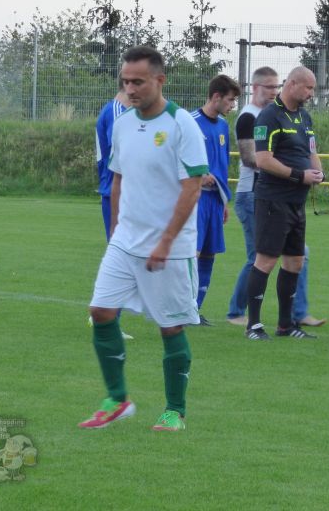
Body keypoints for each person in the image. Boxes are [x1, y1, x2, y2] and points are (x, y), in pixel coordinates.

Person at [78, 46, 208, 432]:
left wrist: (166, 241)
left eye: (138, 81)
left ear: (159, 80)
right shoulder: (121, 124)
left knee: (170, 326)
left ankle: (174, 410)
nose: (130, 89)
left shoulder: (182, 124)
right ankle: (117, 400)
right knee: (100, 311)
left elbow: (193, 187)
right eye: (125, 81)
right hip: (126, 240)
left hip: (169, 245)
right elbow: (118, 178)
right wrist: (116, 231)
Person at [228, 67, 325, 327]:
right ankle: (253, 324)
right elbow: (261, 160)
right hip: (272, 200)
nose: (311, 94)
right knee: (263, 259)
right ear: (292, 84)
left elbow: (312, 150)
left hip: (296, 203)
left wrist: (318, 172)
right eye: (308, 88)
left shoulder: (304, 117)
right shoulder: (268, 117)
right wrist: (299, 175)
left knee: (295, 260)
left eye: (313, 89)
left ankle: (286, 325)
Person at [189, 75, 240, 327]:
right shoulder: (190, 122)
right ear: (216, 97)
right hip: (194, 199)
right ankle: (182, 308)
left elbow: (223, 165)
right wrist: (197, 177)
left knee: (209, 254)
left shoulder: (222, 126)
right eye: (230, 100)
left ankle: (195, 310)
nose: (232, 105)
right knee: (192, 254)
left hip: (215, 201)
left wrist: (224, 202)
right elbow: (173, 159)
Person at [93, 84, 134, 340]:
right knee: (121, 258)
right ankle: (108, 320)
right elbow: (124, 155)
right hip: (117, 193)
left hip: (120, 192)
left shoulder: (116, 110)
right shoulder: (119, 112)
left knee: (123, 257)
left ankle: (103, 314)